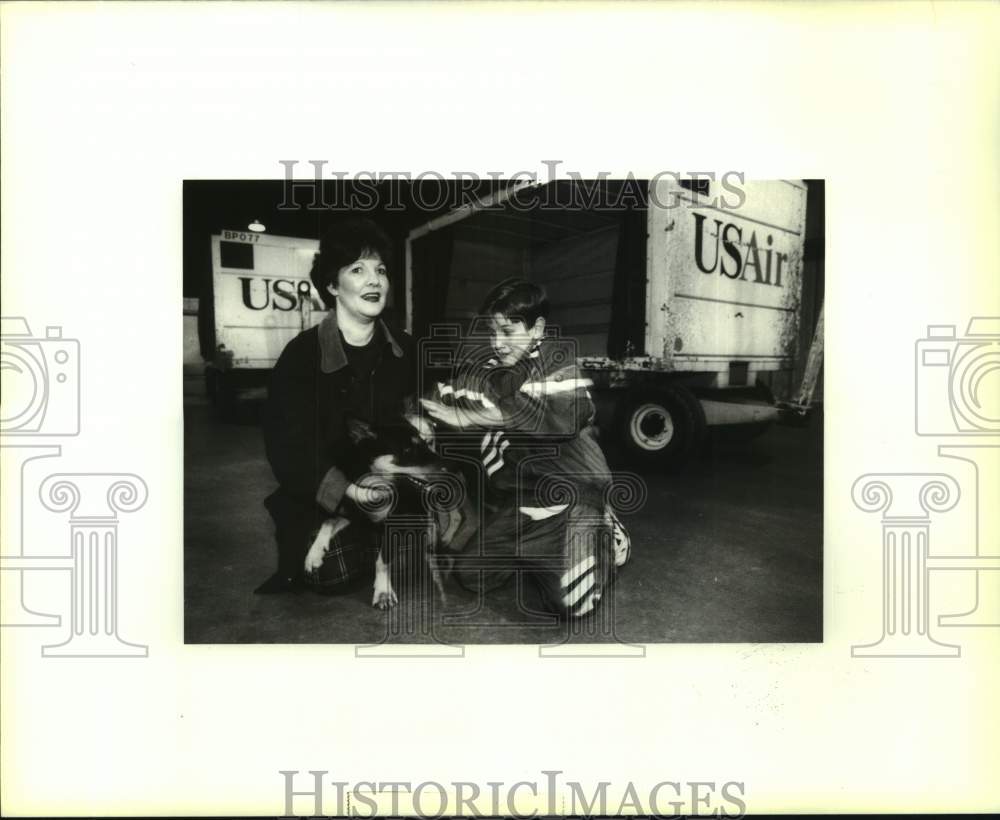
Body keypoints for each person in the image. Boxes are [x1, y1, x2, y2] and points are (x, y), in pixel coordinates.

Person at [420, 278, 630, 617]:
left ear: (537, 329)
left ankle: (604, 531)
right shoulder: (492, 373)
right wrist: (423, 414)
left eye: (507, 331)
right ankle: (544, 550)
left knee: (572, 602)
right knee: (471, 574)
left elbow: (567, 412)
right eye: (492, 333)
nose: (498, 343)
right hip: (524, 502)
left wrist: (475, 418)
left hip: (576, 492)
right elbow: (451, 392)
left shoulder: (557, 362)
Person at [255, 218, 414, 594]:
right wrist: (351, 493)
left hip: (388, 485)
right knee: (329, 574)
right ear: (332, 286)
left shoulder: (407, 351)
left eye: (381, 270)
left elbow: (419, 423)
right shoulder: (302, 355)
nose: (374, 280)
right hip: (323, 495)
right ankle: (353, 535)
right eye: (357, 269)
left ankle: (383, 538)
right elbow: (287, 445)